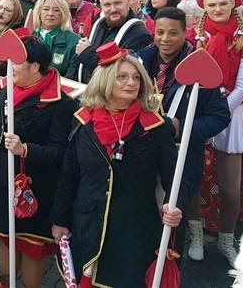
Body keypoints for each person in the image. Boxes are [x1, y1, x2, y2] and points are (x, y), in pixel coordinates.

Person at [51, 43, 182, 286]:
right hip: (87, 222)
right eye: (122, 77)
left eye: (135, 78)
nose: (131, 83)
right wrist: (60, 219)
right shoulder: (83, 121)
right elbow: (69, 174)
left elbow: (174, 179)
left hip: (133, 228)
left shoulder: (155, 127)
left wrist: (173, 207)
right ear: (105, 80)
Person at [0, 30, 78, 287]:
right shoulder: (5, 92)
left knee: (31, 248)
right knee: (6, 239)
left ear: (36, 65)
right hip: (1, 184)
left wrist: (26, 149)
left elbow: (63, 154)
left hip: (36, 191)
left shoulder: (60, 103)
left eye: (16, 61)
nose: (9, 67)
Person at [139, 7, 231, 262]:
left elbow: (221, 116)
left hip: (180, 154)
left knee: (170, 214)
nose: (165, 39)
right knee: (142, 213)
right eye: (159, 32)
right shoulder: (142, 60)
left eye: (172, 33)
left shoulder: (199, 66)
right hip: (143, 151)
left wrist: (184, 127)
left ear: (184, 33)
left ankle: (168, 267)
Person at [189, 0, 243, 263]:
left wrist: (218, 115)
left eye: (222, 3)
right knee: (193, 179)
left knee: (231, 190)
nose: (217, 9)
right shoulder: (195, 36)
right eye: (211, 4)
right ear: (204, 6)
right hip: (198, 112)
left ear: (233, 3)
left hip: (230, 114)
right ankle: (196, 233)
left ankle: (227, 239)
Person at [74, 0, 152, 83]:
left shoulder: (140, 34)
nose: (113, 9)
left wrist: (86, 53)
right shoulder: (99, 24)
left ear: (127, 2)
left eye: (117, 3)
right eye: (107, 5)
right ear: (101, 6)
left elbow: (120, 76)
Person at [30, 0, 80, 77]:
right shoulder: (29, 37)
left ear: (63, 14)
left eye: (56, 10)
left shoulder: (74, 41)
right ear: (39, 12)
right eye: (46, 9)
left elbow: (71, 77)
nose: (50, 14)